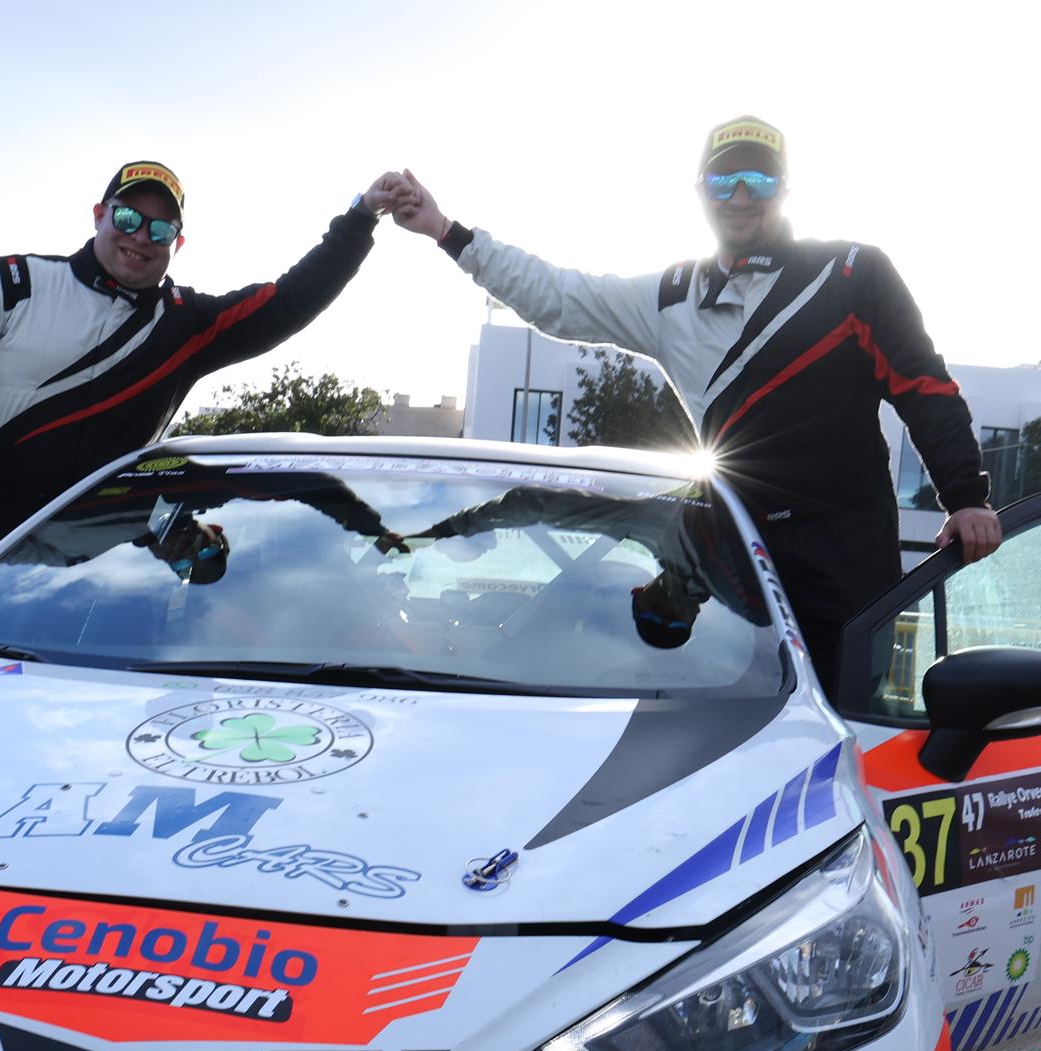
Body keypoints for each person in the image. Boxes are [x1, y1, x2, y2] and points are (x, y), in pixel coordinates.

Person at [391, 119, 1002, 691]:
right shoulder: (672, 295)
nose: (741, 195)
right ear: (701, 192)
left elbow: (924, 385)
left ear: (786, 189)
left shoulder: (852, 273)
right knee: (734, 725)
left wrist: (966, 497)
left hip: (848, 553)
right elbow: (558, 298)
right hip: (741, 550)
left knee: (850, 722)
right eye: (723, 179)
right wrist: (447, 232)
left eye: (759, 179)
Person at [0, 160, 405, 558]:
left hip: (103, 576)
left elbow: (289, 300)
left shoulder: (187, 322)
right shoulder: (15, 282)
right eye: (128, 218)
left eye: (161, 230)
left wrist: (362, 216)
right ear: (99, 215)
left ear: (177, 243)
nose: (142, 237)